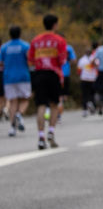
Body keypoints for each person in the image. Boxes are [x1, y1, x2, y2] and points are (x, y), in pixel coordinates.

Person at [27, 13, 68, 149]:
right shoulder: (60, 40)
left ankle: (40, 136)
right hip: (53, 74)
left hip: (39, 74)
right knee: (54, 105)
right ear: (55, 24)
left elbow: (30, 59)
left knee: (41, 105)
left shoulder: (35, 40)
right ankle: (51, 131)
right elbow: (62, 60)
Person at [1, 25, 31, 137]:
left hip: (8, 78)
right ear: (20, 33)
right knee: (25, 99)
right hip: (23, 76)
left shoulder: (4, 47)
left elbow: (1, 62)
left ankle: (12, 128)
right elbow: (30, 59)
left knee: (13, 102)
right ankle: (19, 114)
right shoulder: (25, 46)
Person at [77, 42, 99, 116]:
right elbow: (98, 67)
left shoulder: (81, 60)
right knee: (92, 94)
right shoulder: (95, 59)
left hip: (84, 79)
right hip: (92, 79)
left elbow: (79, 70)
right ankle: (91, 104)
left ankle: (85, 110)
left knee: (84, 95)